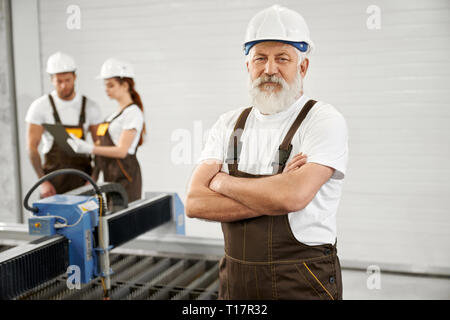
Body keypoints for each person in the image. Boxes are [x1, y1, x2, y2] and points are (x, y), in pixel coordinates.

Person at [185, 5, 348, 300]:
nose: (269, 69)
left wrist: (221, 183)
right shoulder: (229, 124)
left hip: (301, 282)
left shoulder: (322, 120)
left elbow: (293, 197)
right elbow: (195, 203)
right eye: (260, 58)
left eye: (282, 59)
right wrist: (275, 192)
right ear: (247, 66)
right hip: (236, 284)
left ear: (303, 67)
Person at [67, 58, 145, 203]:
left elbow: (122, 151)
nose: (106, 89)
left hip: (126, 178)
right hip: (111, 178)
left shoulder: (133, 113)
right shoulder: (111, 117)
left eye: (111, 85)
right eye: (105, 85)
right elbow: (101, 150)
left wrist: (90, 148)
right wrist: (93, 178)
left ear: (125, 85)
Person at [26, 51, 103, 198]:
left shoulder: (90, 107)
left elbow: (99, 146)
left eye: (67, 80)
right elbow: (31, 148)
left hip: (83, 182)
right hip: (52, 186)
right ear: (51, 79)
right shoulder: (40, 107)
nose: (63, 85)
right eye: (59, 81)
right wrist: (42, 182)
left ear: (75, 77)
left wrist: (93, 179)